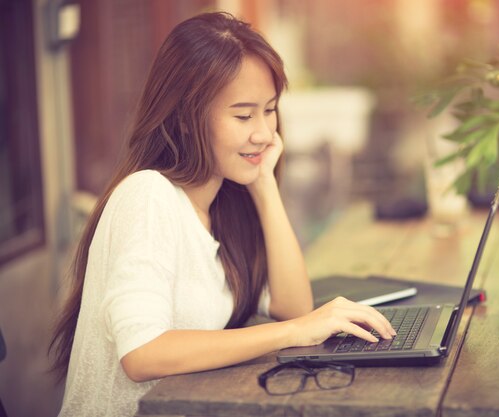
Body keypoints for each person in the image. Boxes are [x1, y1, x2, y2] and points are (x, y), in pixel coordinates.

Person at [49, 12, 395, 417]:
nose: (265, 133)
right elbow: (142, 352)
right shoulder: (147, 197)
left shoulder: (225, 204)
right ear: (185, 117)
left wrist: (264, 186)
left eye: (269, 110)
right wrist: (291, 333)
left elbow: (294, 308)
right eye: (244, 115)